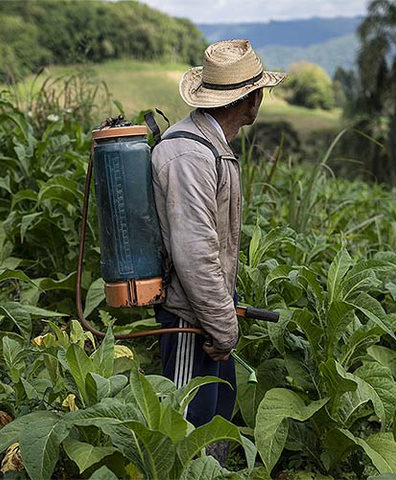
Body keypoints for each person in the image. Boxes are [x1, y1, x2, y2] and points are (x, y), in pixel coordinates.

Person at [150, 39, 285, 460]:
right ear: (249, 99)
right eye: (259, 90)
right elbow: (194, 252)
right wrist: (223, 325)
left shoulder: (209, 146)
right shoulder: (188, 154)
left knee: (216, 421)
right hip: (189, 316)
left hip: (208, 310)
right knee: (186, 433)